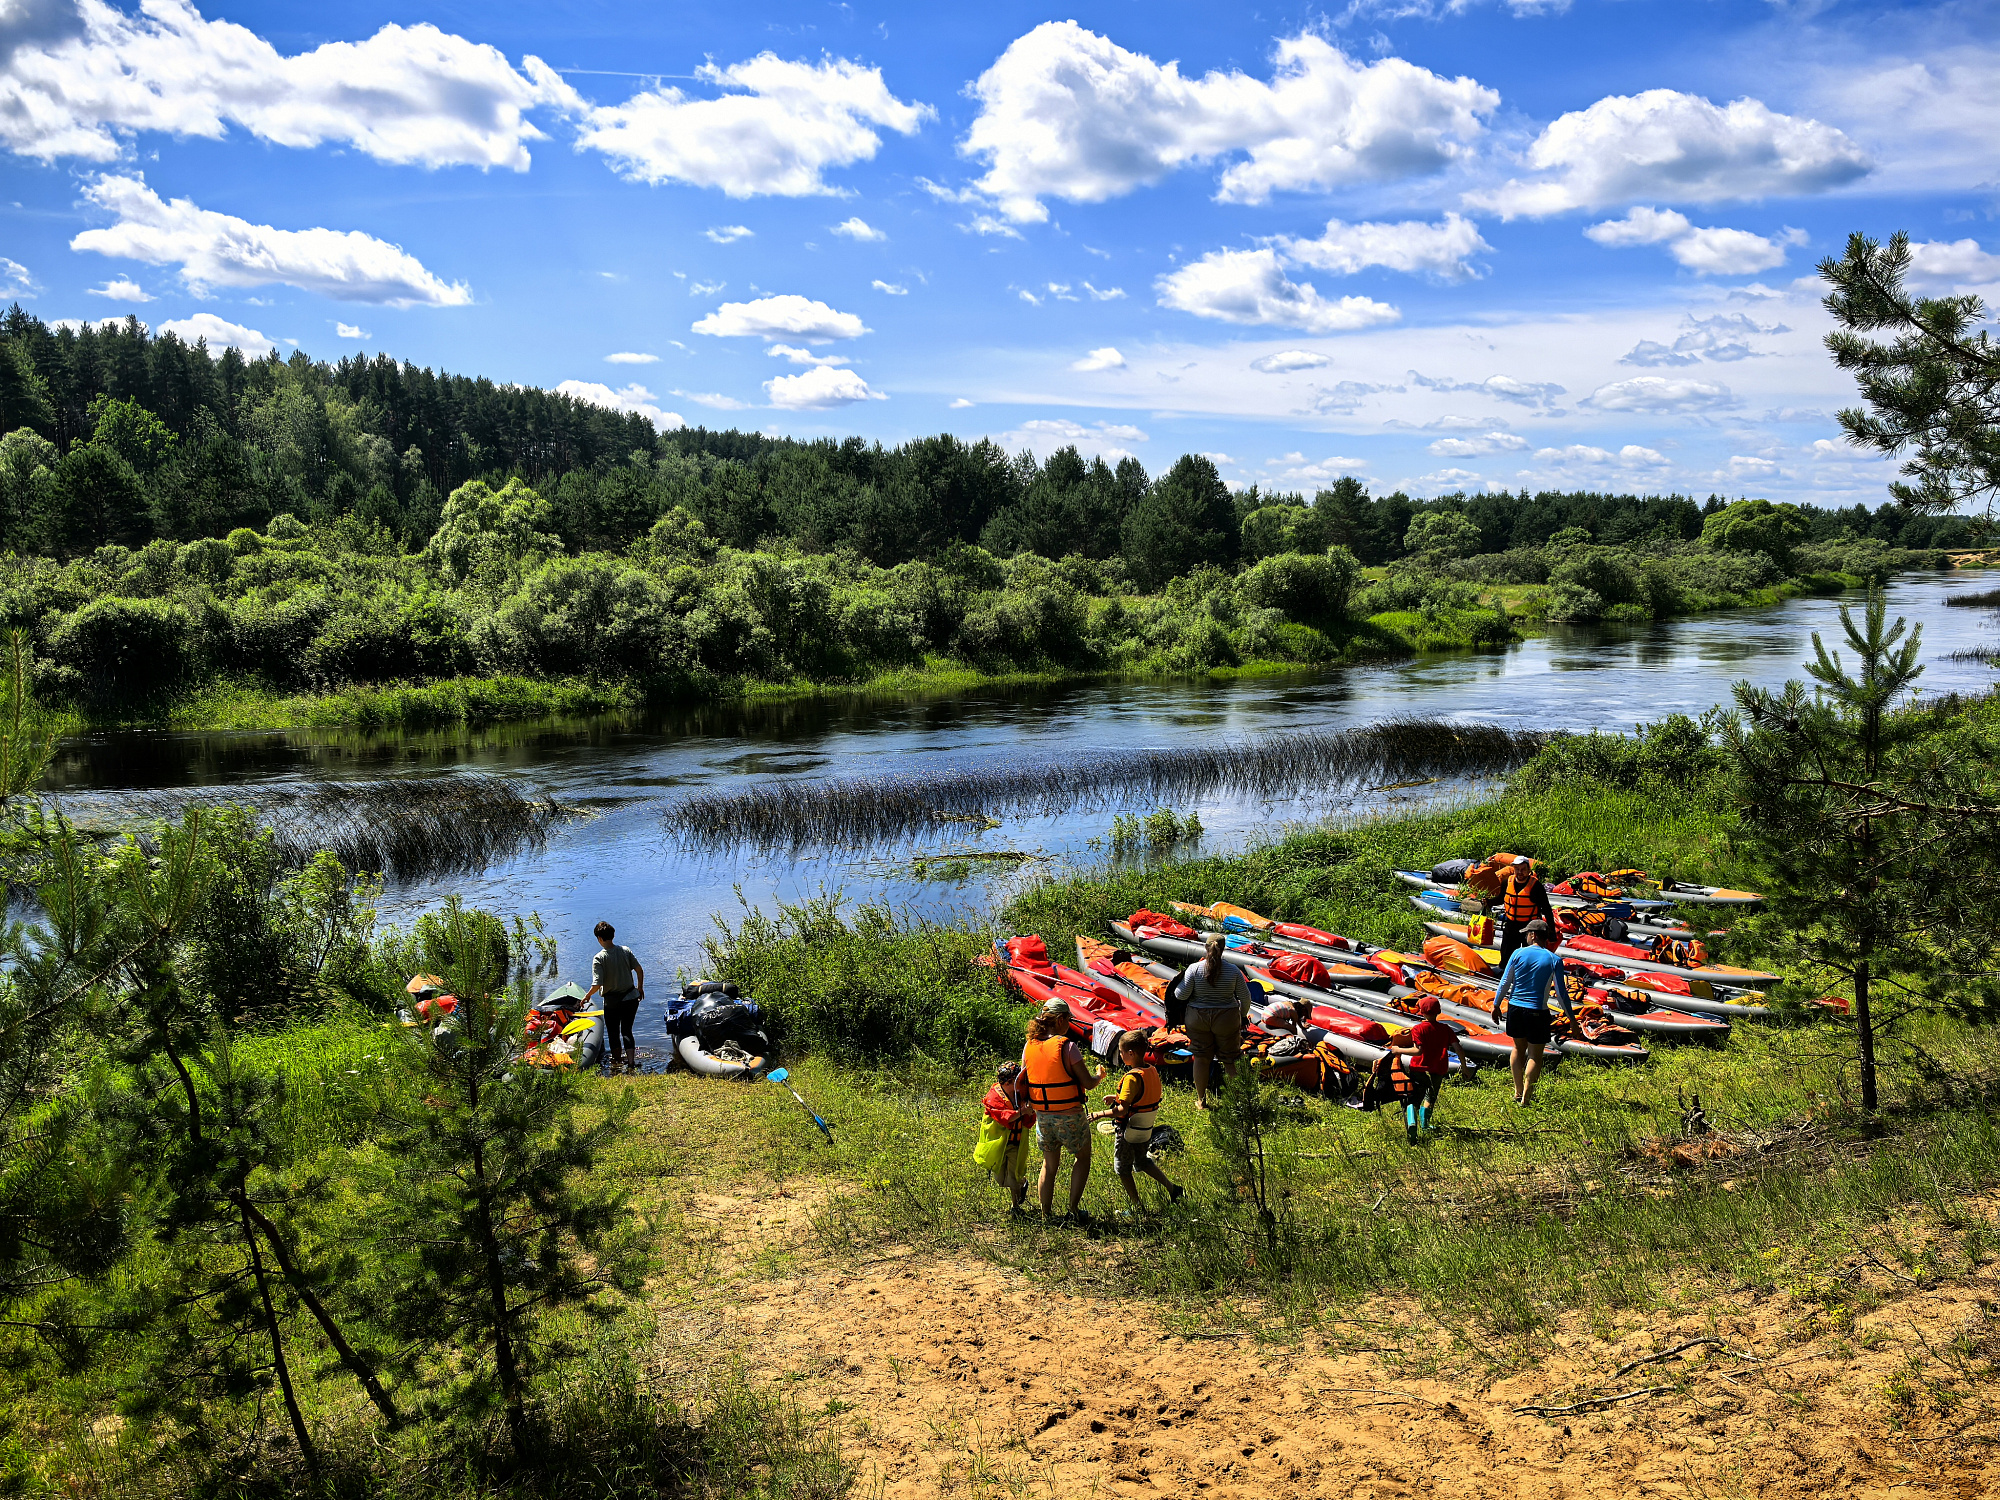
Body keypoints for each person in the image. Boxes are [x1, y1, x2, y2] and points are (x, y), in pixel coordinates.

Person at [1021, 998, 1106, 1225]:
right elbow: (1087, 1083)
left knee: (1049, 1165)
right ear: (1060, 1020)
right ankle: (1073, 1210)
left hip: (1043, 1118)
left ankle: (1046, 1215)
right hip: (1070, 1116)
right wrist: (1099, 1076)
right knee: (1083, 1158)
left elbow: (1023, 1080)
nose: (1069, 1023)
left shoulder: (1029, 1046)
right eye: (1068, 1019)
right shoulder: (1067, 1047)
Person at [1091, 1030, 1184, 1216]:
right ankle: (1173, 1189)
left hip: (1128, 1130)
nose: (1120, 1055)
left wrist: (1099, 1114)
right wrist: (1116, 1097)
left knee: (1122, 1168)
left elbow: (1122, 1110)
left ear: (1131, 1053)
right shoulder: (1151, 1070)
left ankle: (1137, 1207)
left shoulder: (1132, 1078)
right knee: (1142, 1160)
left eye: (1121, 1051)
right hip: (1145, 1127)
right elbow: (1142, 1096)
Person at [1493, 920, 1572, 1106]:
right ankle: (1526, 1098)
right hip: (1537, 1011)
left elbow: (1505, 982)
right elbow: (1561, 994)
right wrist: (1572, 1020)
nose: (1525, 937)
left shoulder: (1517, 953)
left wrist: (1496, 1004)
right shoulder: (1554, 960)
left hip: (1515, 1008)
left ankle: (1517, 1091)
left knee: (1518, 1048)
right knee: (1535, 1055)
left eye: (1527, 934)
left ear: (1533, 935)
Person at [1372, 996, 1461, 1142]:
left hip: (1418, 1069)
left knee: (1414, 1098)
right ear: (1439, 1011)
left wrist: (1398, 1050)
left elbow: (1418, 1051)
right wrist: (1464, 1067)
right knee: (1431, 1097)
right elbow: (1458, 1048)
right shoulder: (1446, 1029)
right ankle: (1425, 1125)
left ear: (1421, 1012)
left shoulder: (1418, 1029)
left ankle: (1412, 1122)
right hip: (1438, 1069)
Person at [1180, 935, 1253, 1111]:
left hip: (1197, 1018)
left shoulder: (1194, 969)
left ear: (1206, 948)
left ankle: (1201, 1100)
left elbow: (1181, 995)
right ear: (1224, 949)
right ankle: (1239, 1103)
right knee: (1230, 1059)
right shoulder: (1233, 971)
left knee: (1201, 1057)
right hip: (1226, 1018)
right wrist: (1242, 1015)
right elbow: (1245, 998)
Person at [583, 921, 645, 1072]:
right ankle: (631, 1063)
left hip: (612, 1002)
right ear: (613, 935)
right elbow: (639, 970)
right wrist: (640, 988)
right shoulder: (625, 951)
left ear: (599, 938)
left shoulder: (599, 958)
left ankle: (617, 1061)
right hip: (631, 997)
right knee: (627, 1031)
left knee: (613, 1033)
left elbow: (597, 984)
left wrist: (587, 997)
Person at [980, 1062, 1036, 1217]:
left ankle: (1015, 1207)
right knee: (1001, 1178)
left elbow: (1030, 1118)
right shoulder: (994, 1097)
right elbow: (1004, 1117)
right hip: (999, 1143)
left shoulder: (1022, 1094)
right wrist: (1022, 1111)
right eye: (1018, 1080)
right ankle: (1022, 1183)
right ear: (1008, 1082)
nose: (1022, 1083)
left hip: (1016, 1142)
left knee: (1013, 1176)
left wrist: (1029, 1111)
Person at [1497, 857, 1556, 967]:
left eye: (1523, 869)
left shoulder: (1536, 886)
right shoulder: (1507, 882)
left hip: (1529, 927)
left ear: (1529, 870)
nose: (1520, 872)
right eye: (1517, 869)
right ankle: (1504, 972)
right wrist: (1487, 902)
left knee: (1529, 959)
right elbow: (1500, 899)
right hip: (1511, 926)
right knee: (1506, 957)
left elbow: (1547, 910)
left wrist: (1552, 932)